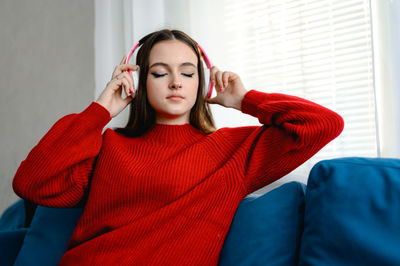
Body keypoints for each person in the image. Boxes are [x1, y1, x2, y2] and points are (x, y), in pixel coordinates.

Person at [12, 29, 344, 265]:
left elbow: (322, 125)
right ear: (139, 82)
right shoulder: (107, 146)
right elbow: (31, 183)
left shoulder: (234, 151)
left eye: (187, 73)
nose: (175, 82)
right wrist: (101, 110)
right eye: (160, 73)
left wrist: (245, 100)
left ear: (202, 82)